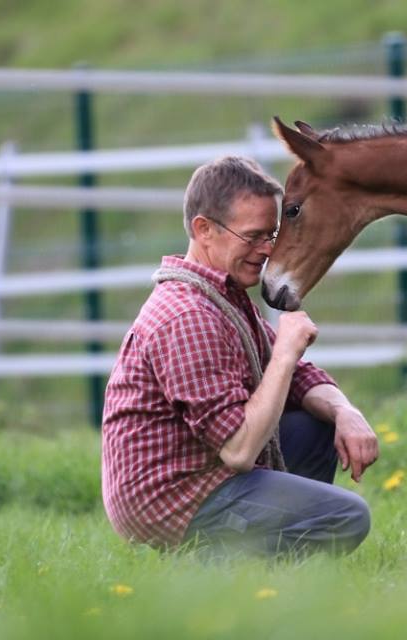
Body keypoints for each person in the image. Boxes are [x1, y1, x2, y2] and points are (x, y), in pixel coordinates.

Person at [101, 156, 379, 558]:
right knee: (346, 517)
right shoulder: (188, 317)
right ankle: (208, 565)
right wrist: (285, 351)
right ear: (204, 230)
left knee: (317, 427)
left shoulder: (221, 294)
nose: (267, 250)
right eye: (253, 236)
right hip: (175, 497)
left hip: (203, 466)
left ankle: (260, 563)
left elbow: (298, 379)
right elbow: (238, 450)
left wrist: (344, 411)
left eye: (272, 234)